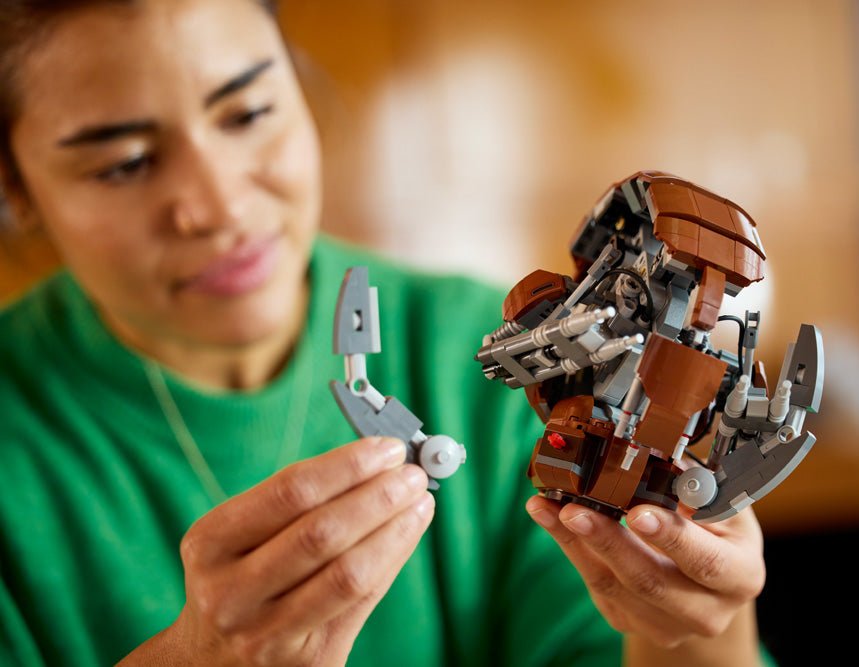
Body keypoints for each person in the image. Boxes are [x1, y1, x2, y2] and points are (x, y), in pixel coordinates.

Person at [0, 0, 770, 665]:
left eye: (248, 114)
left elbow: (640, 630)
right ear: (15, 188)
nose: (220, 206)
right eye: (125, 163)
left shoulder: (499, 352)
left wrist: (698, 615)